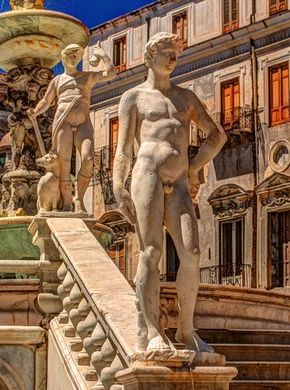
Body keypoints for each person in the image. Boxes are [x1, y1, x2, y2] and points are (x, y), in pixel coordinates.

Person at [113, 32, 226, 358]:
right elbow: (122, 150)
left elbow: (217, 135)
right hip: (146, 174)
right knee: (151, 251)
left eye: (176, 52)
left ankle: (186, 330)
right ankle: (150, 331)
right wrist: (119, 187)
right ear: (150, 56)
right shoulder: (133, 98)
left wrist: (194, 168)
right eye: (167, 51)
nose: (173, 58)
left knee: (191, 252)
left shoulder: (186, 98)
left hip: (178, 181)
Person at [29, 43, 116, 212]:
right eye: (71, 54)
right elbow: (46, 101)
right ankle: (67, 202)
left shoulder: (87, 76)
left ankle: (80, 198)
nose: (74, 58)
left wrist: (102, 54)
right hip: (63, 121)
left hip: (83, 122)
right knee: (64, 162)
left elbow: (111, 73)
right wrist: (36, 111)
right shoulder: (57, 80)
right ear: (63, 58)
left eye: (77, 55)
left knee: (88, 158)